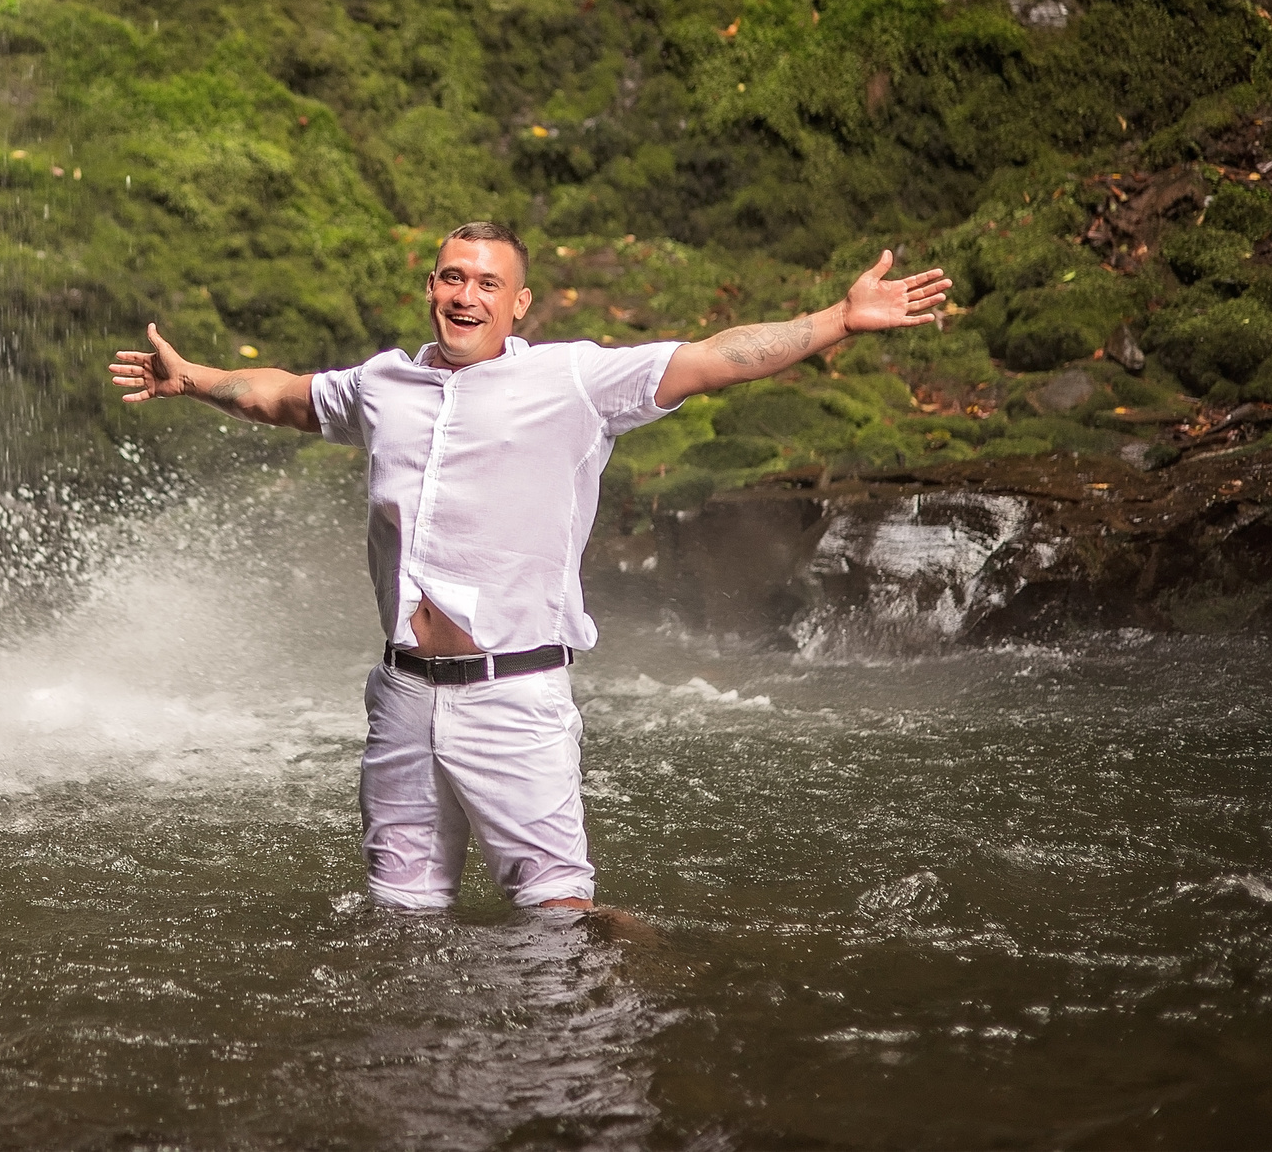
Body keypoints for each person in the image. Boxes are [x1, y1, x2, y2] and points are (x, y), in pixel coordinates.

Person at [108, 221, 951, 914]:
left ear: (518, 304)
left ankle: (630, 1024)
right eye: (450, 277)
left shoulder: (574, 378)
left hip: (512, 694)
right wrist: (197, 380)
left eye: (485, 283)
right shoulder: (383, 383)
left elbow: (713, 356)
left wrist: (838, 319)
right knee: (399, 919)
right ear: (430, 288)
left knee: (559, 920)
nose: (463, 295)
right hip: (402, 694)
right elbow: (285, 396)